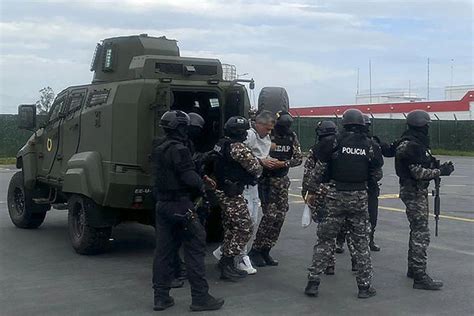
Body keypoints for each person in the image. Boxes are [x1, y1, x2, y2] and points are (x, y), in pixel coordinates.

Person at [304, 109, 383, 299]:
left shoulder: (332, 142)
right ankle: (364, 287)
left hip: (334, 196)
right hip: (359, 198)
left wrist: (313, 191)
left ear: (344, 123)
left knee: (324, 241)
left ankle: (313, 283)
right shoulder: (370, 145)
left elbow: (318, 171)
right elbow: (377, 174)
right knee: (361, 242)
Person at [151, 110, 224, 312]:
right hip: (181, 205)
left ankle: (161, 297)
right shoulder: (180, 150)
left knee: (163, 252)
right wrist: (202, 185)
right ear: (181, 128)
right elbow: (189, 178)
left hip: (162, 206)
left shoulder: (159, 147)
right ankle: (200, 297)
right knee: (195, 247)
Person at [395, 110, 454, 290]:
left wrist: (434, 164)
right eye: (426, 124)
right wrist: (440, 171)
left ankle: (414, 269)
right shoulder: (412, 145)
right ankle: (420, 276)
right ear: (421, 125)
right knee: (421, 233)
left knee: (416, 230)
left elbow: (422, 164)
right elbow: (418, 173)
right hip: (414, 191)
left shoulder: (413, 142)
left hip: (413, 190)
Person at [213, 110, 275, 274]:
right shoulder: (239, 148)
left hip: (224, 189)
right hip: (236, 191)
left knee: (231, 227)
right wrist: (261, 162)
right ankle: (228, 260)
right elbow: (256, 169)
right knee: (244, 227)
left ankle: (226, 260)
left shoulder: (222, 144)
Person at [249, 111, 303, 267]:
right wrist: (265, 161)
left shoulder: (291, 137)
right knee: (270, 216)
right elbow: (253, 153)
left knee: (280, 216)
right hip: (266, 180)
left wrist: (283, 164)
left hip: (281, 180)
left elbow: (298, 158)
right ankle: (256, 250)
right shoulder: (266, 135)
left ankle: (267, 249)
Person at [302, 120, 338, 275]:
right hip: (340, 191)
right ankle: (357, 263)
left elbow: (309, 172)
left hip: (321, 191)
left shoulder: (317, 149)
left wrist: (307, 193)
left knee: (324, 231)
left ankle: (327, 264)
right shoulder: (341, 146)